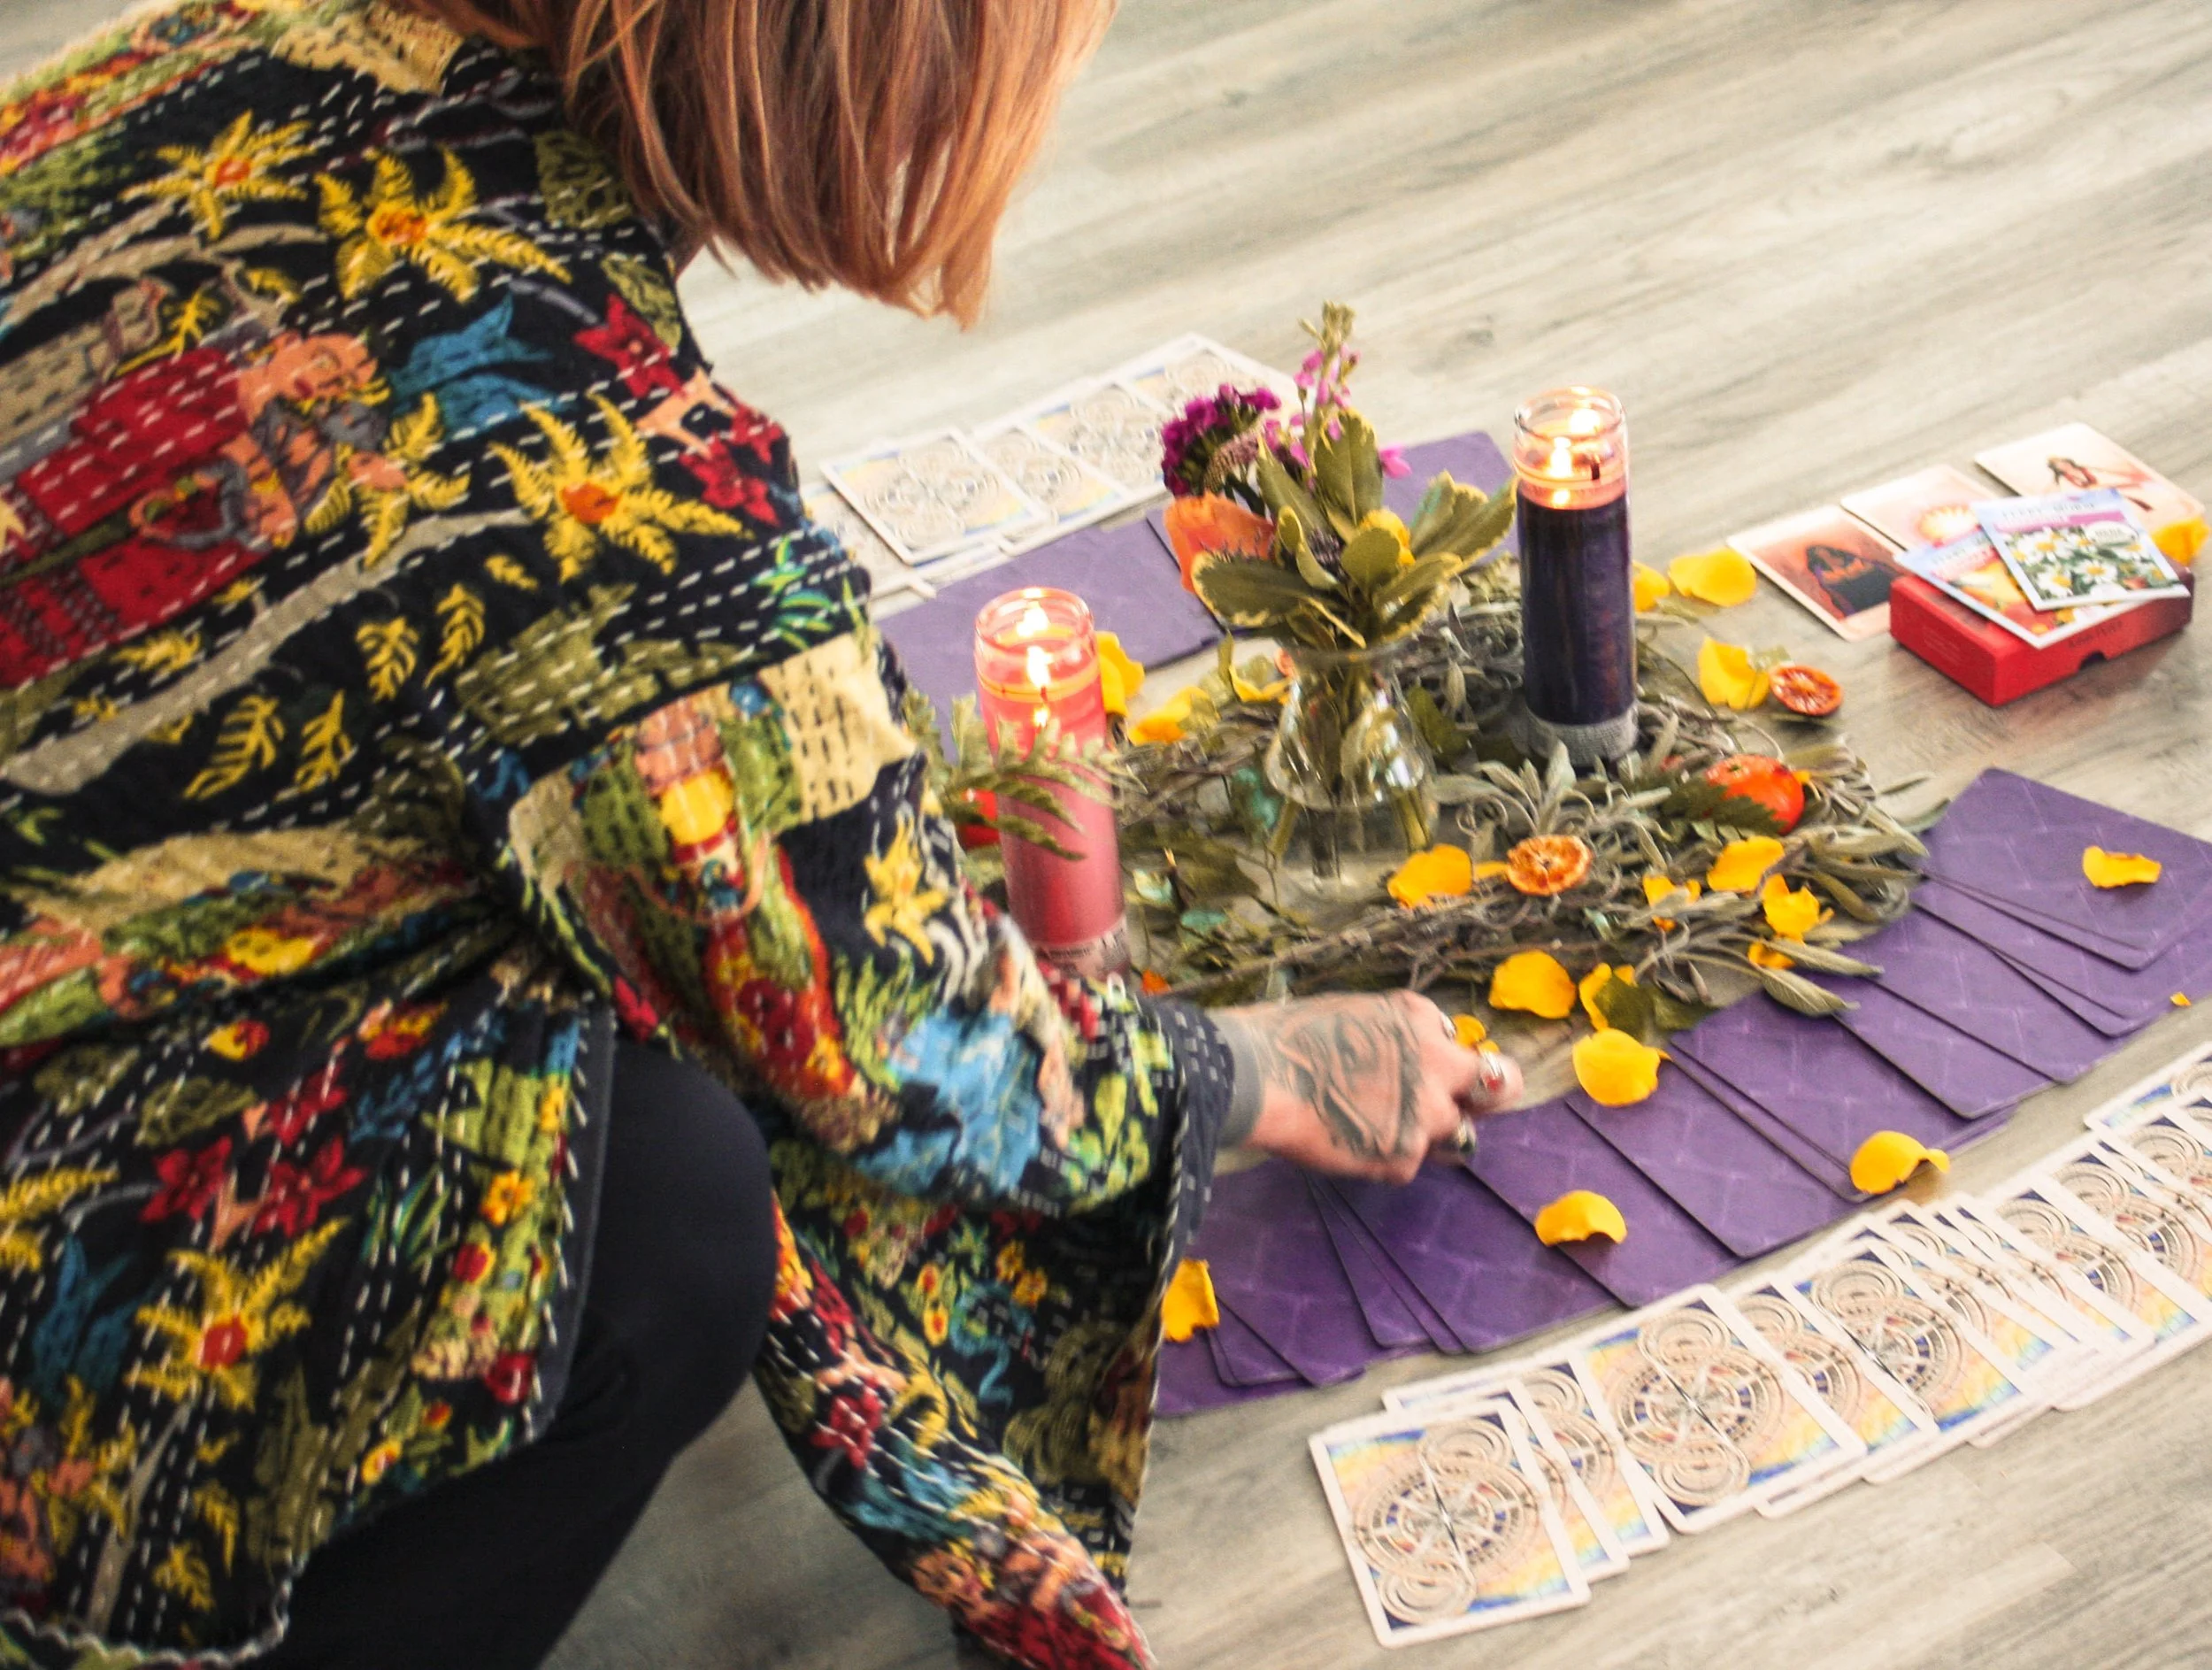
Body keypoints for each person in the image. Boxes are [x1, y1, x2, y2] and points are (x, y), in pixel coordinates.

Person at [0, 3, 1522, 1667]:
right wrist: (1267, 1070)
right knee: (669, 1200)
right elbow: (901, 1041)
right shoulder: (602, 465)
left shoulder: (226, 44)